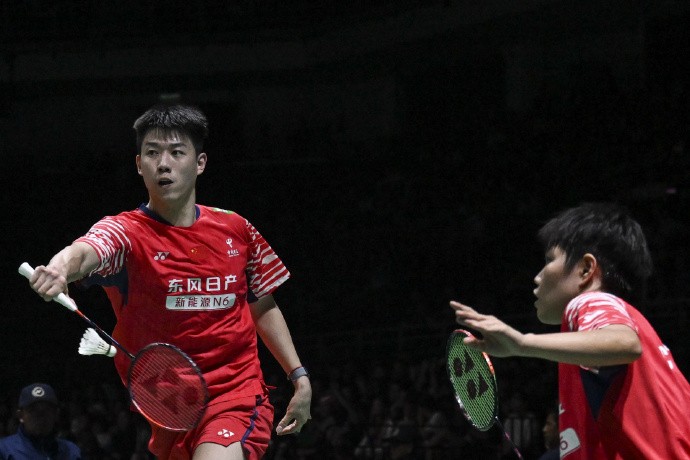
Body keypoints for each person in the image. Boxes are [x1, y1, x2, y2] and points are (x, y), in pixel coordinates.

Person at [26, 103, 312, 460]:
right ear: (138, 164)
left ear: (200, 163)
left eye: (177, 152)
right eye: (152, 153)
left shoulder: (237, 229)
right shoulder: (126, 233)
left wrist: (298, 376)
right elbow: (86, 250)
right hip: (170, 407)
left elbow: (262, 304)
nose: (164, 163)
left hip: (235, 395)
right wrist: (59, 268)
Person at [450, 202, 690, 458]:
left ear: (586, 269)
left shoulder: (589, 301)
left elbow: (625, 344)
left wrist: (522, 343)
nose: (537, 277)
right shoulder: (634, 325)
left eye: (549, 260)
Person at [0, 383, 81, 459]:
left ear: (56, 414)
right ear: (21, 416)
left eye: (47, 410)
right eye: (32, 410)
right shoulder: (4, 450)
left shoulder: (71, 451)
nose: (40, 416)